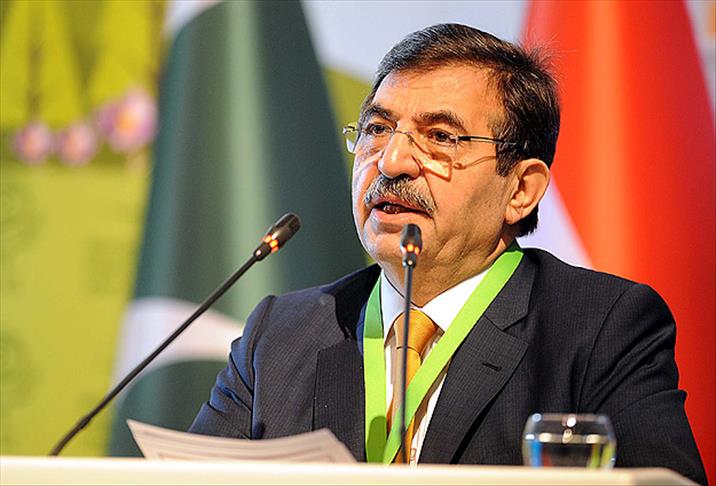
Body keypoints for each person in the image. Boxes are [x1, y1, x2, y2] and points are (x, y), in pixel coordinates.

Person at [189, 24, 706, 483]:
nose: (391, 161)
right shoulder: (279, 335)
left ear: (521, 189)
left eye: (440, 137)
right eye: (377, 129)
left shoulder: (600, 328)